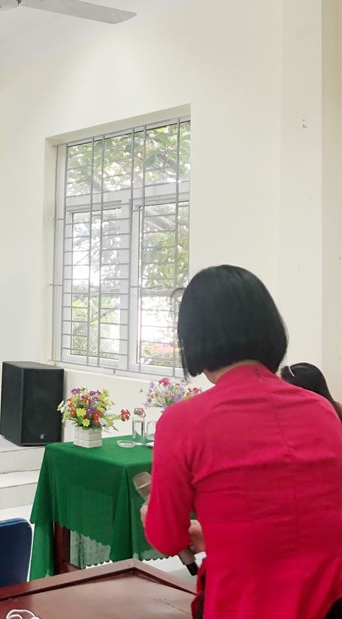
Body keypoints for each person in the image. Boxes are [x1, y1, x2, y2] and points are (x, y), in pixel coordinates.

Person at [142, 265, 342, 619]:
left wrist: (152, 518)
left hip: (243, 604)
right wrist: (220, 535)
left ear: (194, 338)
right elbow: (304, 520)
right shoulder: (322, 410)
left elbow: (167, 537)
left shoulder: (183, 422)